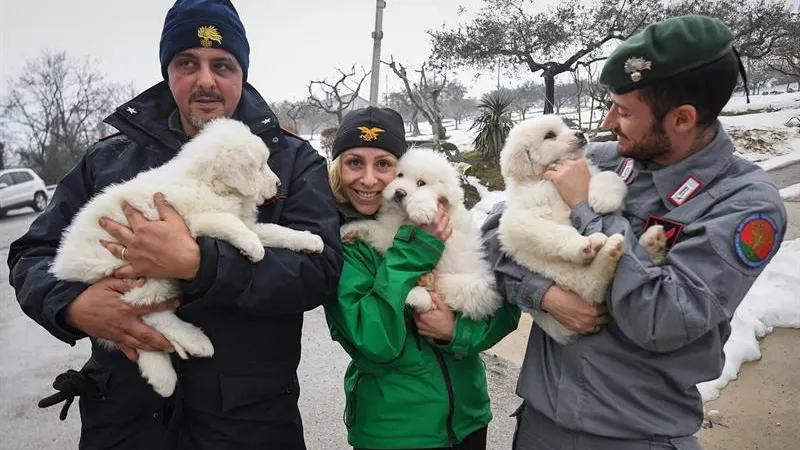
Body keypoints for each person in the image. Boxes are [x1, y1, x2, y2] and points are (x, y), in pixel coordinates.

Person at [7, 1, 342, 449]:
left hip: (249, 423)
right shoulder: (106, 160)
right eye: (187, 62)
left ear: (241, 71)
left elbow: (319, 272)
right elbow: (32, 252)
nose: (206, 80)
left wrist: (202, 263)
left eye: (222, 64)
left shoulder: (293, 160)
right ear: (168, 71)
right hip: (124, 421)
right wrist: (71, 306)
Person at [481, 15, 788, 450]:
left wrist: (587, 209)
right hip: (540, 424)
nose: (608, 121)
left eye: (624, 112)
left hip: (635, 435)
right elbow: (495, 236)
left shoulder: (744, 204)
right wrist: (544, 295)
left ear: (681, 119)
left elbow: (662, 319)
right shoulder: (607, 158)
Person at [323, 106, 521, 450]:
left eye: (384, 165)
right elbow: (376, 343)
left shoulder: (446, 221)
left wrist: (454, 332)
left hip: (468, 418)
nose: (369, 180)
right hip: (396, 431)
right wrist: (415, 250)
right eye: (355, 162)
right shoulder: (343, 244)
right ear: (338, 168)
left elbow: (504, 309)